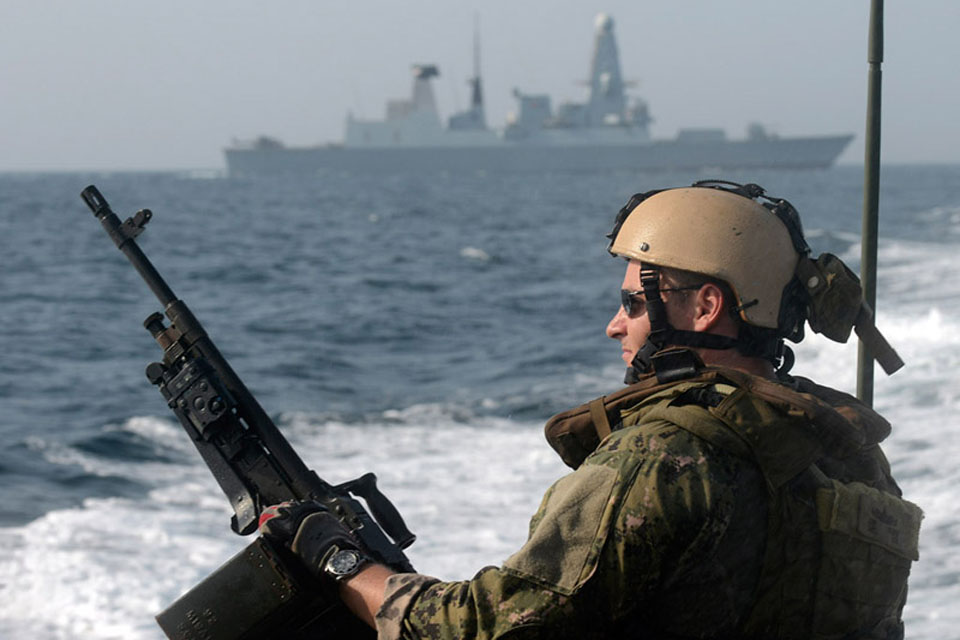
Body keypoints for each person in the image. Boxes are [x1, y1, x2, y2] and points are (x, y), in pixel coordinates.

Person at [259, 180, 922, 639]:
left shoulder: (664, 454)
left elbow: (486, 629)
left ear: (705, 306)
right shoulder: (849, 451)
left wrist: (338, 558)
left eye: (635, 303)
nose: (616, 325)